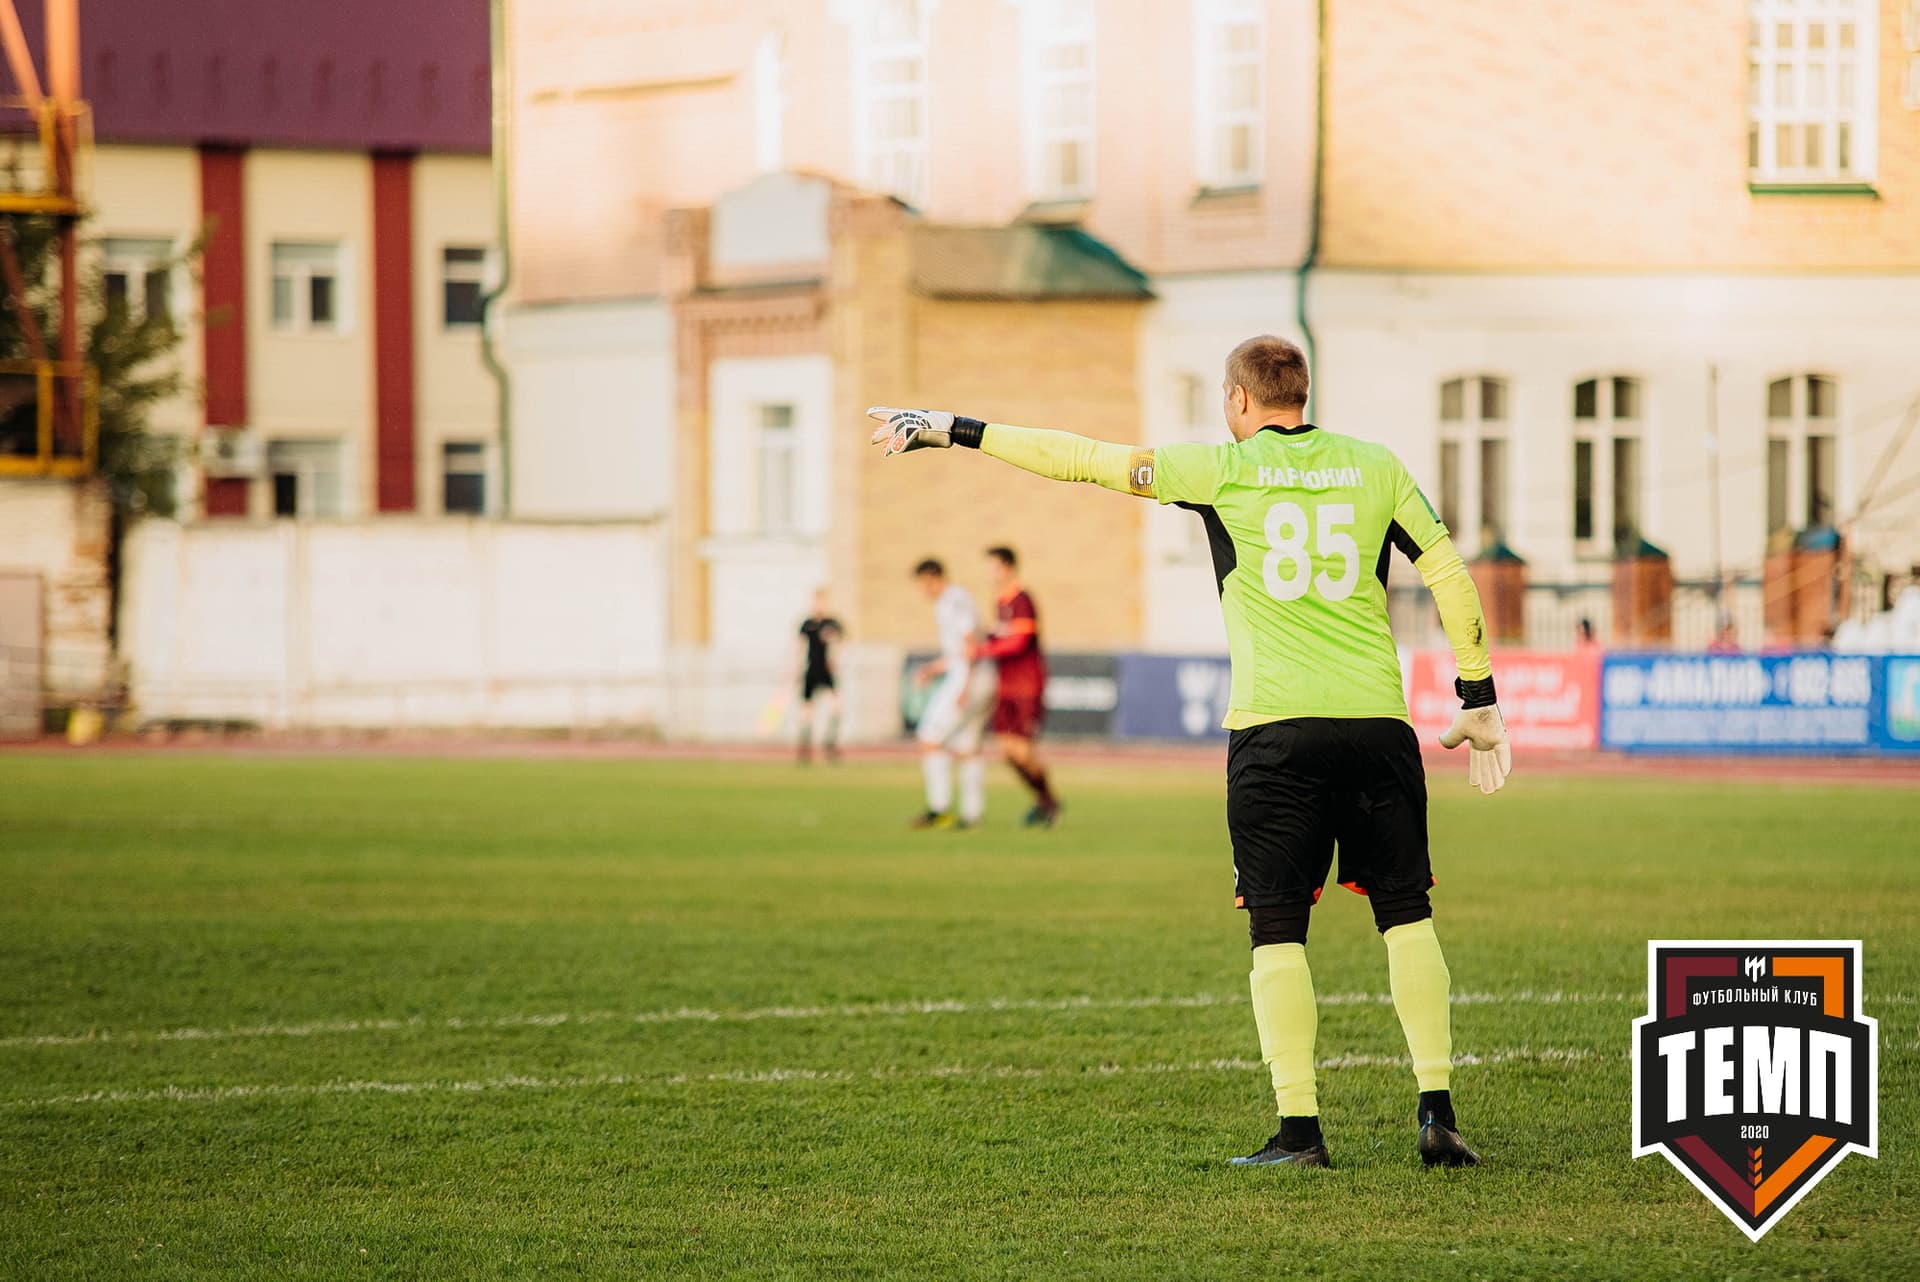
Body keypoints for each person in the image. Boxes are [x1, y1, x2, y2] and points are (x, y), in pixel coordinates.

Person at [866, 334, 1511, 1170]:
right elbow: (1450, 573)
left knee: (1279, 929)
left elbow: (1082, 460)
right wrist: (1476, 694)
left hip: (1275, 731)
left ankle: (1300, 1131)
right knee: (1406, 915)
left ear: (1239, 400)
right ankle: (1437, 1114)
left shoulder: (1221, 470)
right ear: (1301, 394)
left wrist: (956, 429)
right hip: (1377, 725)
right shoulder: (1376, 465)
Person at [909, 559, 998, 829]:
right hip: (981, 675)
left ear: (931, 578)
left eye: (921, 584)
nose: (921, 590)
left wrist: (965, 686)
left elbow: (972, 641)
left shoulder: (953, 600)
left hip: (969, 679)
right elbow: (959, 652)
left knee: (929, 738)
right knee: (969, 747)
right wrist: (932, 669)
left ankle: (940, 808)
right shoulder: (953, 601)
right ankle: (972, 814)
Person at [974, 546, 1059, 827]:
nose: (989, 573)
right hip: (1006, 685)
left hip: (1027, 685)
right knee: (1007, 750)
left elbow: (1018, 643)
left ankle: (1048, 801)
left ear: (1008, 567)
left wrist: (981, 650)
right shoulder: (1001, 601)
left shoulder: (1022, 600)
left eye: (993, 567)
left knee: (1022, 751)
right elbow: (1001, 636)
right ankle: (1044, 800)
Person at [795, 590, 844, 763]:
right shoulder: (807, 624)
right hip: (811, 669)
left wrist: (835, 658)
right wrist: (796, 669)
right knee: (807, 709)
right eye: (817, 601)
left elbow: (840, 643)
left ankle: (829, 743)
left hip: (827, 671)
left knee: (837, 706)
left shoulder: (832, 624)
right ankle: (805, 746)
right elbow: (799, 646)